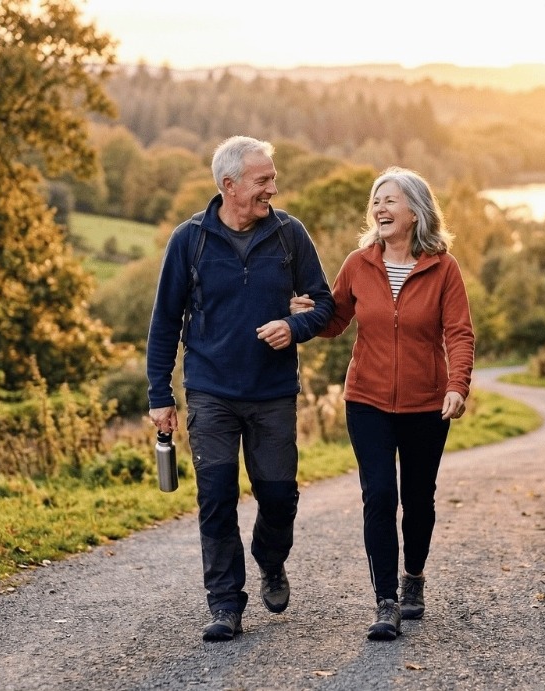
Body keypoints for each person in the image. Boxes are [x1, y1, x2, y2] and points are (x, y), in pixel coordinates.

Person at [147, 135, 335, 642]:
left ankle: (270, 561)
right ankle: (225, 604)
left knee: (278, 497)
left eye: (272, 178)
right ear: (229, 185)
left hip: (273, 391)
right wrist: (159, 396)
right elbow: (165, 321)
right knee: (216, 496)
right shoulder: (190, 240)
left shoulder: (290, 234)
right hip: (210, 390)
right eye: (263, 180)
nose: (272, 188)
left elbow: (324, 305)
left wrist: (293, 328)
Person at [291, 166, 475, 640]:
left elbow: (458, 331)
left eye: (390, 200)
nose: (380, 208)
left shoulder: (443, 268)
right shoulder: (359, 263)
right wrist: (309, 313)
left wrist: (457, 385)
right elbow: (335, 320)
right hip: (367, 399)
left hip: (425, 404)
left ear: (415, 211)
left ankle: (414, 577)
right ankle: (386, 601)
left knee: (417, 499)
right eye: (376, 200)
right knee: (379, 495)